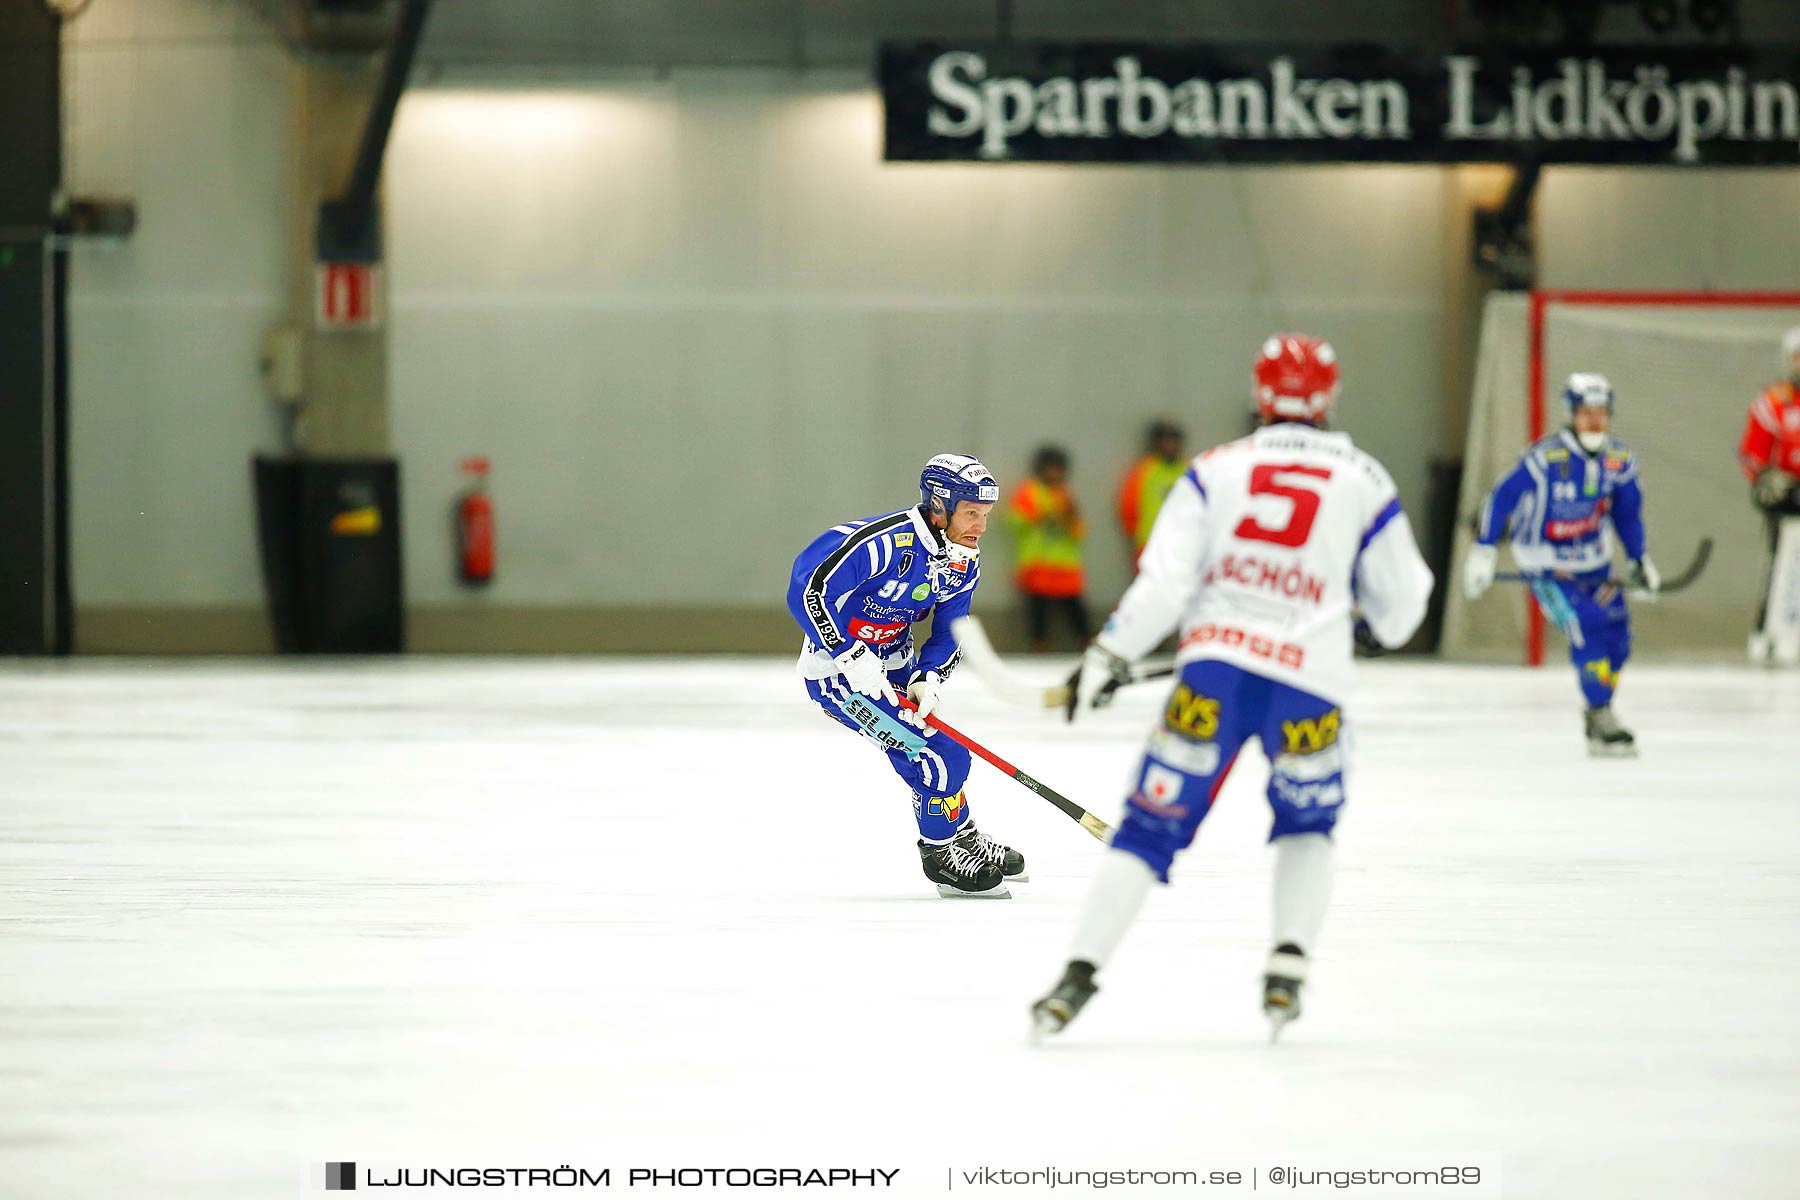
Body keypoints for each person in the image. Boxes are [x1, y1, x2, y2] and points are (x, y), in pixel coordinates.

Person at [1030, 335, 1433, 1041]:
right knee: (1308, 823)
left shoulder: (1214, 469)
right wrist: (1366, 623)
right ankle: (1288, 964)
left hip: (1213, 674)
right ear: (1330, 396)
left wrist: (1107, 654)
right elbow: (1403, 609)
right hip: (1308, 683)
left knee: (1149, 827)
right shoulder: (1365, 479)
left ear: (1259, 392)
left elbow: (1163, 585)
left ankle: (1077, 976)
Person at [786, 453, 1026, 898]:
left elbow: (953, 627)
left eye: (986, 515)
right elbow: (807, 589)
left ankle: (958, 836)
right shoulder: (882, 543)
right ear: (940, 506)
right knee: (943, 756)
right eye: (972, 513)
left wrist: (930, 676)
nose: (982, 526)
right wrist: (848, 654)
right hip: (839, 678)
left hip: (896, 669)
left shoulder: (963, 560)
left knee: (924, 755)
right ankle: (942, 853)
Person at [1463, 373, 1661, 754]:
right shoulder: (1545, 458)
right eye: (1586, 412)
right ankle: (1602, 712)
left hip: (1595, 563)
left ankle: (1597, 707)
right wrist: (1484, 550)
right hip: (1547, 565)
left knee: (1618, 639)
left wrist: (1639, 558)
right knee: (1585, 624)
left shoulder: (1619, 460)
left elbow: (1628, 514)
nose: (1594, 421)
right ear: (1571, 413)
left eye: (1601, 413)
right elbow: (1501, 497)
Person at [1738, 326, 1800, 664]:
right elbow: (1752, 454)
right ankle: (1769, 636)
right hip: (1788, 498)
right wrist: (1765, 479)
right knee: (1781, 564)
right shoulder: (1774, 401)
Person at [1007, 445, 1093, 653]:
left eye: (1058, 469)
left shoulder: (1067, 494)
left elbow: (1079, 530)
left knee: (1075, 611)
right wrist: (1042, 516)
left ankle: (1088, 645)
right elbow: (1014, 521)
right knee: (1038, 613)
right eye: (1049, 468)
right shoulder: (1029, 491)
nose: (1054, 473)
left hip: (1066, 564)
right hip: (1037, 563)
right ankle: (1040, 648)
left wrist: (1069, 517)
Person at [1118, 420, 1187, 568]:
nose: (1171, 446)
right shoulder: (1143, 471)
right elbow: (1128, 507)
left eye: (1174, 441)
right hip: (1150, 544)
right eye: (1166, 441)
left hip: (1185, 545)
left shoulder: (1190, 470)